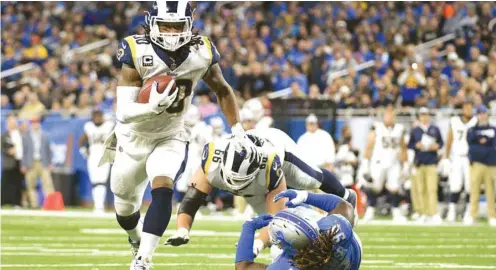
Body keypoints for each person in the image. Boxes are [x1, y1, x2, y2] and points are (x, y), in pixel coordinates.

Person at [100, 2, 246, 269]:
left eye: (176, 26)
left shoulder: (202, 50)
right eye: (165, 25)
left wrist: (238, 130)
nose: (169, 32)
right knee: (124, 211)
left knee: (163, 188)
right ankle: (135, 240)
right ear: (151, 23)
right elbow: (123, 111)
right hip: (132, 137)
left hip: (171, 135)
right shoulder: (137, 49)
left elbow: (223, 90)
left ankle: (144, 259)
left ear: (189, 25)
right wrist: (150, 107)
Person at [167, 128, 356, 256]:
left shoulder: (269, 168)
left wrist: (256, 245)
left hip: (280, 148)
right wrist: (183, 230)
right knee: (280, 244)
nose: (236, 186)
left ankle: (346, 196)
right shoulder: (213, 161)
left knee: (311, 178)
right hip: (254, 185)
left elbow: (278, 218)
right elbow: (190, 202)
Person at [234, 190, 362, 270]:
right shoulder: (336, 230)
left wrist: (248, 227)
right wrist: (306, 196)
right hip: (353, 256)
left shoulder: (286, 266)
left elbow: (243, 267)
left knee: (274, 252)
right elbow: (345, 206)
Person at [361, 108, 408, 223]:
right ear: (383, 117)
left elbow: (403, 147)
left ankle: (396, 212)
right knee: (375, 187)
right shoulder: (377, 127)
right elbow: (369, 145)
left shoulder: (399, 129)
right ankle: (370, 211)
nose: (389, 118)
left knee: (394, 187)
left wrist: (405, 164)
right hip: (378, 161)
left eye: (391, 116)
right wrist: (366, 163)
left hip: (393, 162)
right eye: (387, 116)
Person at [441, 100, 477, 222]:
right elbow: (449, 140)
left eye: (470, 108)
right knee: (455, 185)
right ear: (462, 108)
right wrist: (446, 157)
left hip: (470, 158)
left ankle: (468, 212)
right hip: (457, 157)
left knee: (469, 186)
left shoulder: (475, 121)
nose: (468, 110)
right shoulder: (455, 121)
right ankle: (452, 211)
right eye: (466, 107)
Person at [407, 107, 444, 224]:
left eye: (426, 114)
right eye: (422, 115)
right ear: (419, 116)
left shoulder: (435, 129)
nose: (424, 117)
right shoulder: (415, 130)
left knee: (432, 189)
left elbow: (441, 143)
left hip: (431, 162)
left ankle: (433, 213)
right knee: (420, 189)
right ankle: (422, 213)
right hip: (419, 162)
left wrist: (436, 147)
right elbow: (410, 145)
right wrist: (416, 146)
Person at [78, 110, 115, 214]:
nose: (98, 118)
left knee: (102, 181)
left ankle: (100, 205)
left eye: (100, 116)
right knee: (95, 181)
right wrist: (83, 150)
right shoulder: (89, 126)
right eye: (96, 116)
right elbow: (81, 141)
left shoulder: (109, 126)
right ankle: (97, 205)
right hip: (93, 156)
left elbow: (116, 138)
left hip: (104, 155)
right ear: (93, 117)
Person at [466, 105, 496, 226]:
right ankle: (472, 215)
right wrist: (485, 140)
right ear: (477, 115)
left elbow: (493, 144)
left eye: (483, 113)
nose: (482, 115)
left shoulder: (493, 129)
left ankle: (492, 216)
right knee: (474, 190)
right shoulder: (472, 129)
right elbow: (472, 144)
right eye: (480, 113)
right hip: (477, 163)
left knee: (491, 191)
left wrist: (483, 141)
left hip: (491, 163)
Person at [21, 117, 55, 208]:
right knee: (31, 185)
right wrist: (23, 165)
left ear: (39, 124)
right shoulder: (26, 136)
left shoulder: (45, 135)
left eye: (37, 123)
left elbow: (49, 150)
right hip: (30, 163)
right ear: (31, 124)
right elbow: (24, 151)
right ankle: (34, 205)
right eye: (33, 123)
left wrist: (50, 163)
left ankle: (50, 204)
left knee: (47, 184)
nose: (35, 125)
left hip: (43, 162)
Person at [1, 114, 23, 207]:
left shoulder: (21, 134)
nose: (12, 124)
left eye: (14, 122)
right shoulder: (4, 135)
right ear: (7, 123)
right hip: (9, 162)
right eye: (10, 122)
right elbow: (2, 148)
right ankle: (2, 202)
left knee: (18, 183)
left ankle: (17, 203)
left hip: (20, 162)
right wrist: (8, 151)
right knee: (6, 182)